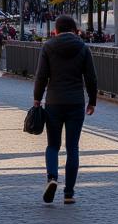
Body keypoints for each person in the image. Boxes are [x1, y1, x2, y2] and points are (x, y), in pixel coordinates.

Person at [33, 14, 98, 205]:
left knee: (53, 145)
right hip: (76, 102)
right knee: (73, 148)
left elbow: (41, 76)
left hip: (54, 101)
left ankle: (52, 178)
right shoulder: (83, 48)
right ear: (75, 30)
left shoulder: (48, 47)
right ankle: (69, 193)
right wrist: (92, 101)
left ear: (56, 30)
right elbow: (91, 78)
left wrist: (37, 98)